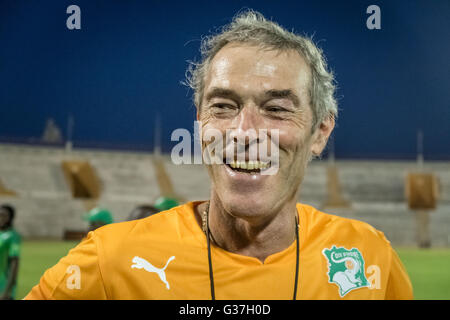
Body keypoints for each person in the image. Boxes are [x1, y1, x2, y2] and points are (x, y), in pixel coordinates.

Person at [25, 10, 413, 300]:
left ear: (320, 132)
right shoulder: (111, 260)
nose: (244, 132)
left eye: (277, 109)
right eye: (223, 106)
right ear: (199, 125)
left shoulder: (368, 257)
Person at [0, 204, 21, 300]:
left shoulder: (13, 236)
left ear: (10, 218)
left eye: (4, 215)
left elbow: (14, 264)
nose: (1, 218)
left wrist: (6, 290)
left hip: (3, 286)